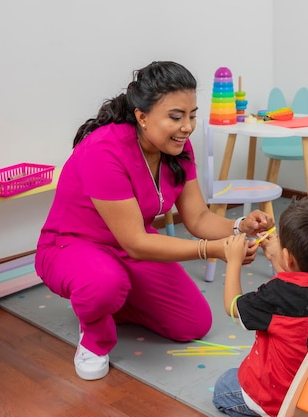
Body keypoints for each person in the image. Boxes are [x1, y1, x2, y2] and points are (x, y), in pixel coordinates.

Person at [34, 61, 273, 381]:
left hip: (130, 248)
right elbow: (136, 241)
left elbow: (199, 217)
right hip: (72, 245)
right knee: (104, 284)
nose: (187, 127)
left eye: (191, 115)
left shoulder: (178, 147)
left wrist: (239, 227)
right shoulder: (104, 149)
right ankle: (94, 335)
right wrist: (213, 249)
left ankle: (106, 300)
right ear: (142, 116)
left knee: (193, 324)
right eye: (176, 117)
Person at [212, 199, 308, 417]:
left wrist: (233, 261)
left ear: (288, 257)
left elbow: (233, 306)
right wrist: (277, 255)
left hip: (275, 398)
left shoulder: (273, 295)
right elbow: (295, 287)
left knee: (224, 386)